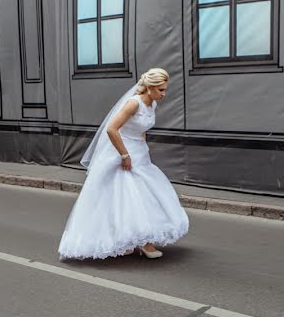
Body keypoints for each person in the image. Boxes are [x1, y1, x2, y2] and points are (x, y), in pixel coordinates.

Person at [58, 68, 189, 260]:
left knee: (143, 196)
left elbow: (142, 128)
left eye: (164, 89)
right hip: (121, 152)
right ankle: (140, 242)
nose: (164, 94)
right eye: (161, 89)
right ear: (150, 87)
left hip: (139, 153)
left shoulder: (151, 104)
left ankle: (136, 240)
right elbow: (112, 129)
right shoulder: (133, 104)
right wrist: (125, 155)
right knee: (124, 195)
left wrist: (142, 147)